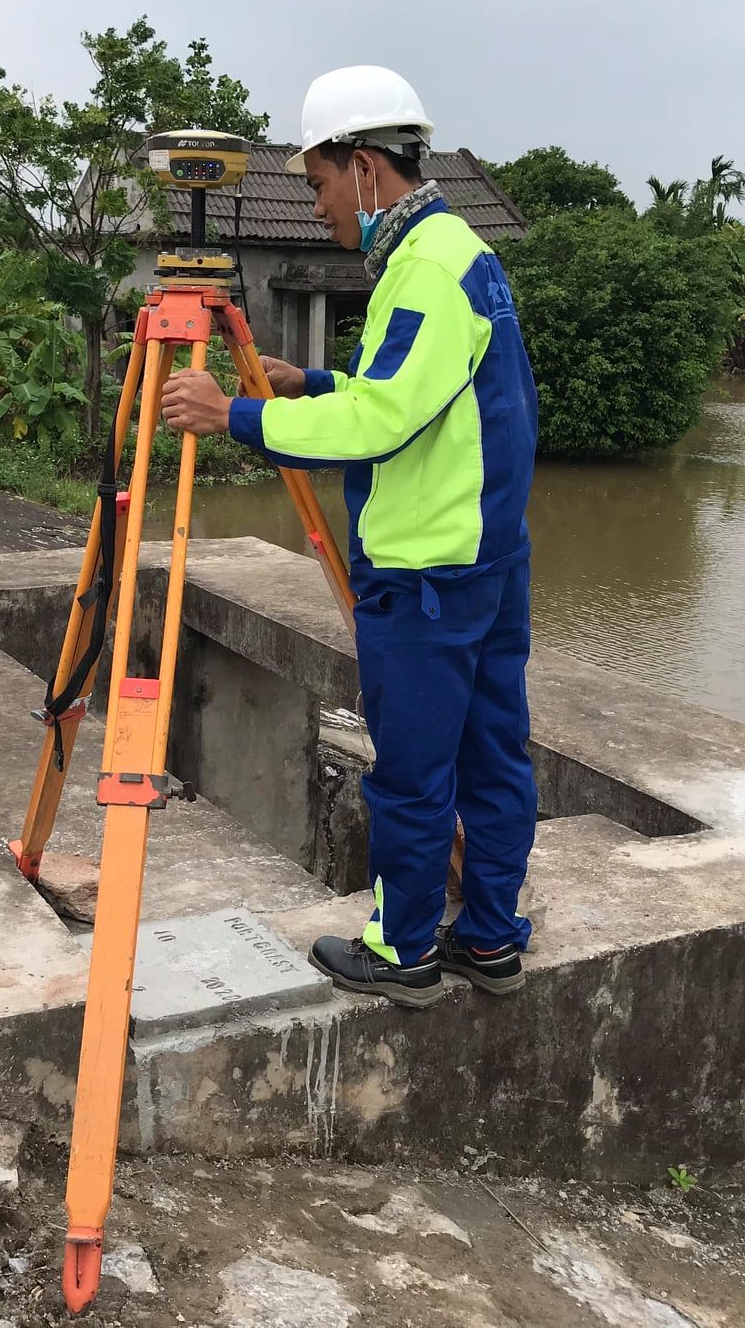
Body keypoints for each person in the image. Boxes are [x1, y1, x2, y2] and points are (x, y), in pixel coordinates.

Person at [160, 65, 540, 1007]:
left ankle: (404, 950)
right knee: (495, 756)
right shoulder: (462, 253)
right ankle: (488, 937)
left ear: (366, 167)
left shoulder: (421, 269)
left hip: (426, 574)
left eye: (323, 186)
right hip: (485, 556)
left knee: (413, 776)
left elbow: (383, 424)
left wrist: (235, 415)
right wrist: (309, 384)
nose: (323, 208)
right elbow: (425, 401)